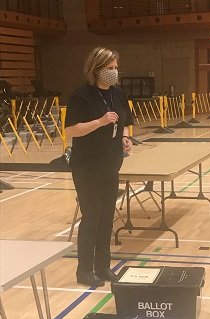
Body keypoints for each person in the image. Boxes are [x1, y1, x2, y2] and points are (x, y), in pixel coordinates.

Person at [65, 47, 133, 287]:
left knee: (106, 218)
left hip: (111, 163)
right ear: (96, 69)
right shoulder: (81, 96)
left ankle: (103, 267)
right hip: (87, 167)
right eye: (109, 68)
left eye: (116, 68)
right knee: (91, 217)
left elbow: (126, 122)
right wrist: (100, 122)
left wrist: (125, 137)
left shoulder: (118, 94)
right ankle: (84, 271)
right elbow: (71, 130)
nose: (114, 72)